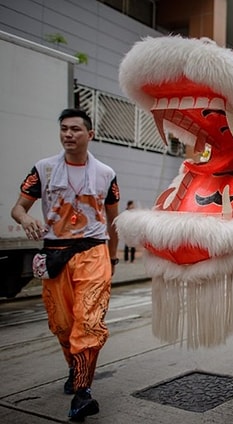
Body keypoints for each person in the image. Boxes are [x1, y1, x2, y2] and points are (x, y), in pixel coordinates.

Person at [10, 108, 119, 421]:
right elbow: (18, 208)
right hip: (55, 254)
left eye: (75, 129)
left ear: (90, 134)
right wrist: (26, 218)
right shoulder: (43, 170)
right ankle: (76, 370)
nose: (68, 135)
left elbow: (113, 221)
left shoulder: (106, 174)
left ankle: (83, 393)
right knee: (62, 325)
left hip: (93, 253)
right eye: (64, 129)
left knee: (88, 323)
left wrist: (111, 258)